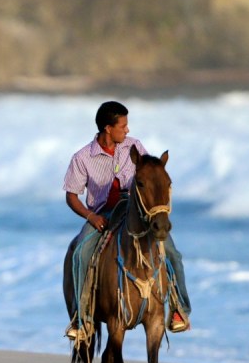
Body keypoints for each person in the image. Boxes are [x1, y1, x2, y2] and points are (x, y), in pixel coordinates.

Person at [62, 100, 191, 338]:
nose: (127, 130)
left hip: (136, 213)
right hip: (103, 215)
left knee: (172, 253)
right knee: (80, 253)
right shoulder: (82, 158)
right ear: (108, 129)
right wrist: (91, 216)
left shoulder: (135, 147)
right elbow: (71, 195)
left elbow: (150, 174)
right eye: (123, 125)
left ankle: (179, 309)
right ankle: (82, 319)